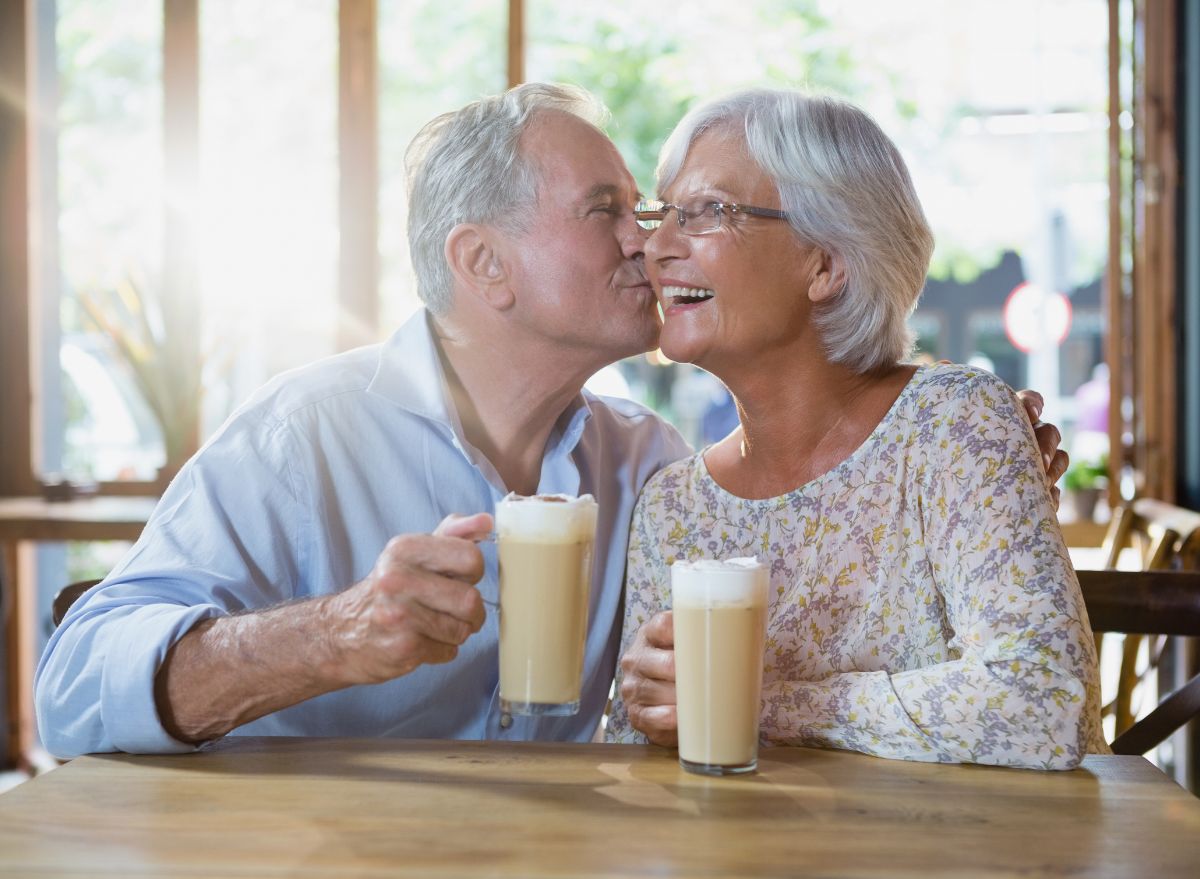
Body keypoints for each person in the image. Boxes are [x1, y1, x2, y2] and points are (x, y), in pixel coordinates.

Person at [35, 83, 1068, 757]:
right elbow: (70, 694)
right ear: (485, 265)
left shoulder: (648, 468)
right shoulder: (299, 439)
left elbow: (654, 725)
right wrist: (326, 637)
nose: (648, 245)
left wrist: (956, 450)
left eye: (663, 213)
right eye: (608, 210)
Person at [606, 88, 1105, 769]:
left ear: (825, 264)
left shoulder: (954, 426)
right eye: (663, 213)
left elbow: (1047, 702)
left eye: (706, 213)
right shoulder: (674, 507)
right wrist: (640, 706)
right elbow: (644, 759)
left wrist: (759, 702)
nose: (653, 245)